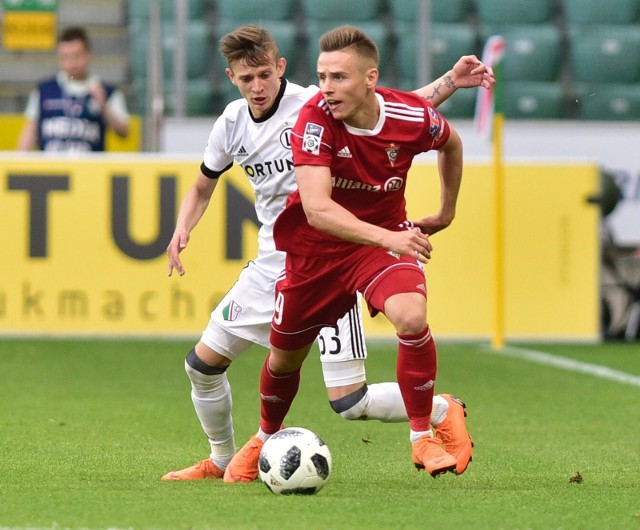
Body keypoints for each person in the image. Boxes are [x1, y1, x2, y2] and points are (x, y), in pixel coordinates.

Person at [163, 24, 492, 482]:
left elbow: (391, 108)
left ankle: (437, 412)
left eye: (263, 75)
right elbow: (203, 185)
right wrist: (182, 228)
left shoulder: (313, 103)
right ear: (231, 78)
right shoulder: (231, 123)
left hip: (345, 248)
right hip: (279, 261)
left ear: (280, 68)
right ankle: (221, 460)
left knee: (348, 401)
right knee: (202, 365)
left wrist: (449, 83)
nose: (256, 87)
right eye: (245, 79)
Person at [17, 26, 130, 152]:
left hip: (88, 168)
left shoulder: (107, 91)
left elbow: (124, 132)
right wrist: (19, 159)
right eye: (65, 57)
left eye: (77, 56)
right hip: (51, 168)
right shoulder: (44, 90)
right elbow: (31, 130)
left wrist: (103, 106)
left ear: (88, 55)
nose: (72, 62)